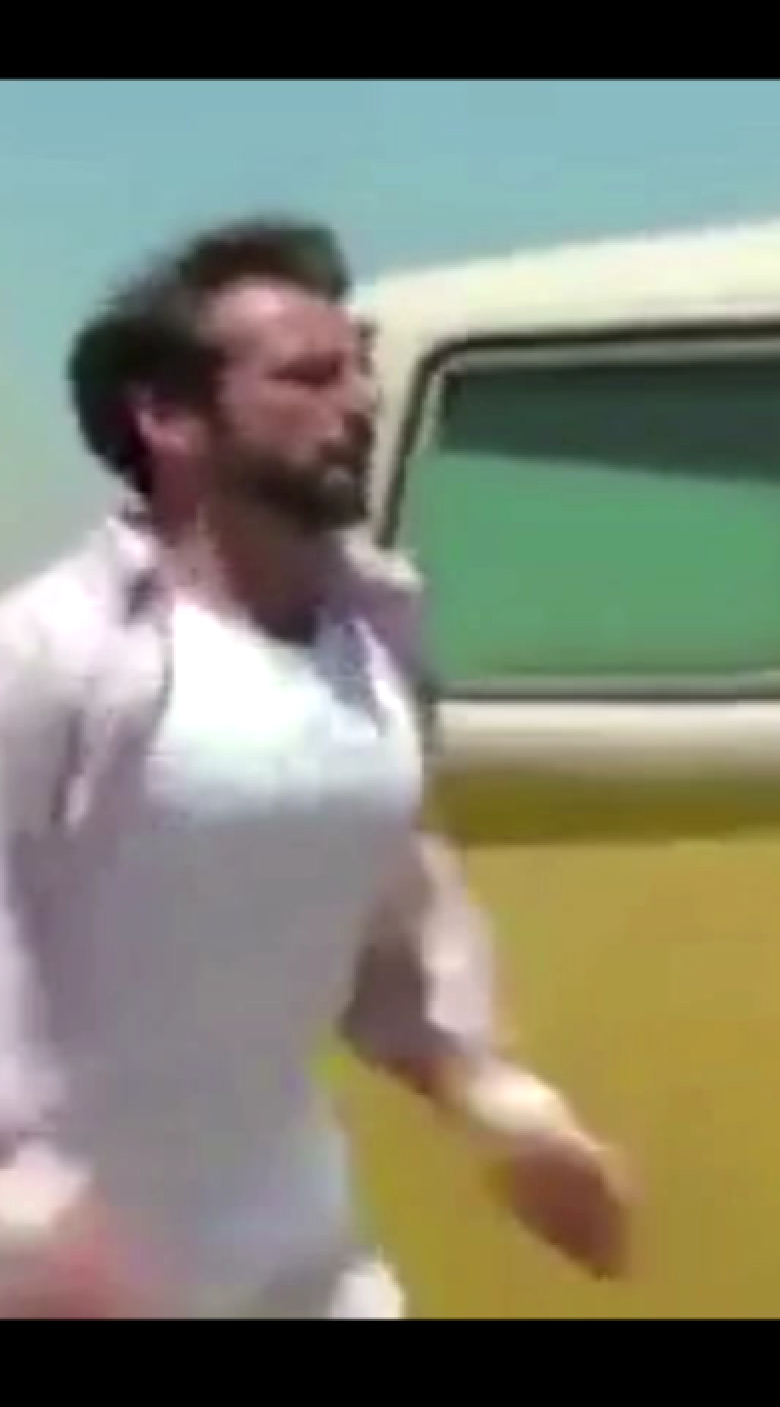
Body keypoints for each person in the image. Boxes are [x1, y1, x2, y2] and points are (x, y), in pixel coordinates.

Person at [0, 217, 633, 1319]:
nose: (361, 402)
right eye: (308, 376)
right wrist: (23, 1203)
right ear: (168, 418)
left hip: (303, 1254)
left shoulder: (374, 642)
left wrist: (490, 1090)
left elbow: (391, 907)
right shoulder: (59, 653)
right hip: (77, 1270)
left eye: (361, 368)